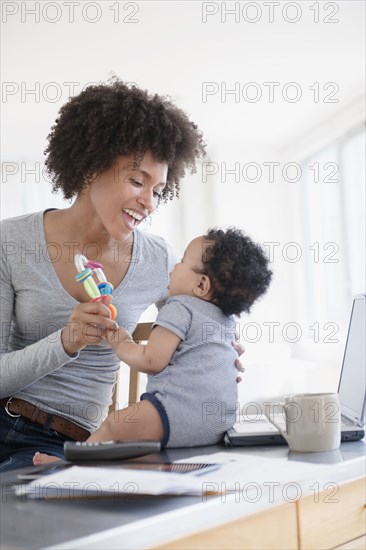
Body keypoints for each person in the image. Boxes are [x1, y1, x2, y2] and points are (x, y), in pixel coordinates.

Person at [0, 80, 244, 472]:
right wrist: (66, 340)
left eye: (159, 190)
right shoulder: (10, 241)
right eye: (137, 181)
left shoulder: (158, 258)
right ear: (90, 166)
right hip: (9, 422)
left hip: (83, 444)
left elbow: (196, 320)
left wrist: (215, 353)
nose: (149, 203)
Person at [34, 227, 272, 464]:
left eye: (181, 262)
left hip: (175, 414)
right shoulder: (227, 321)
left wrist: (118, 339)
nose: (174, 267)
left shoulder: (180, 307)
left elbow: (152, 360)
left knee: (113, 426)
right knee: (134, 448)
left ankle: (68, 467)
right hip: (218, 424)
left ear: (201, 285)